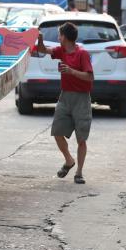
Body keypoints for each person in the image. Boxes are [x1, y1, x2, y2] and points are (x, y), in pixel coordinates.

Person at [36, 22, 94, 184]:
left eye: (59, 35)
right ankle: (69, 160)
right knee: (57, 131)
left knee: (81, 138)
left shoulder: (82, 53)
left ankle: (79, 173)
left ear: (65, 37)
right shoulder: (61, 50)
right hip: (65, 96)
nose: (58, 37)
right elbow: (42, 50)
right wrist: (40, 40)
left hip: (81, 98)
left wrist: (71, 71)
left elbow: (90, 77)